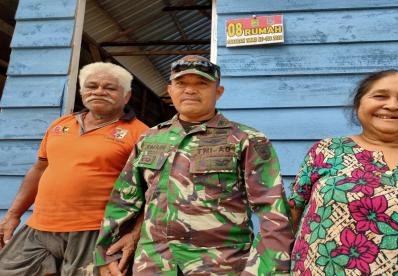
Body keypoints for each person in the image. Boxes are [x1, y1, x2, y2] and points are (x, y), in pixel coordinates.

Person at [94, 55, 294, 275]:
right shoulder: (150, 138)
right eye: (181, 83)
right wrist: (106, 255)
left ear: (218, 92)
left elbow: (273, 210)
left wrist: (269, 269)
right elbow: (124, 199)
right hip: (154, 264)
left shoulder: (247, 139)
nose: (190, 90)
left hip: (220, 264)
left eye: (201, 83)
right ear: (170, 91)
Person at [288, 69, 398, 275]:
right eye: (380, 96)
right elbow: (289, 219)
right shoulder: (327, 151)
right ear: (359, 104)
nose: (392, 105)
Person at [0, 62, 149, 276]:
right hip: (40, 226)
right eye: (92, 86)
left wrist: (134, 234)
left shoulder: (141, 133)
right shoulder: (61, 124)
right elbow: (40, 169)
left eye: (110, 87)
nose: (99, 91)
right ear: (82, 91)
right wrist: (13, 214)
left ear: (126, 96)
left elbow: (151, 190)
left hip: (96, 231)